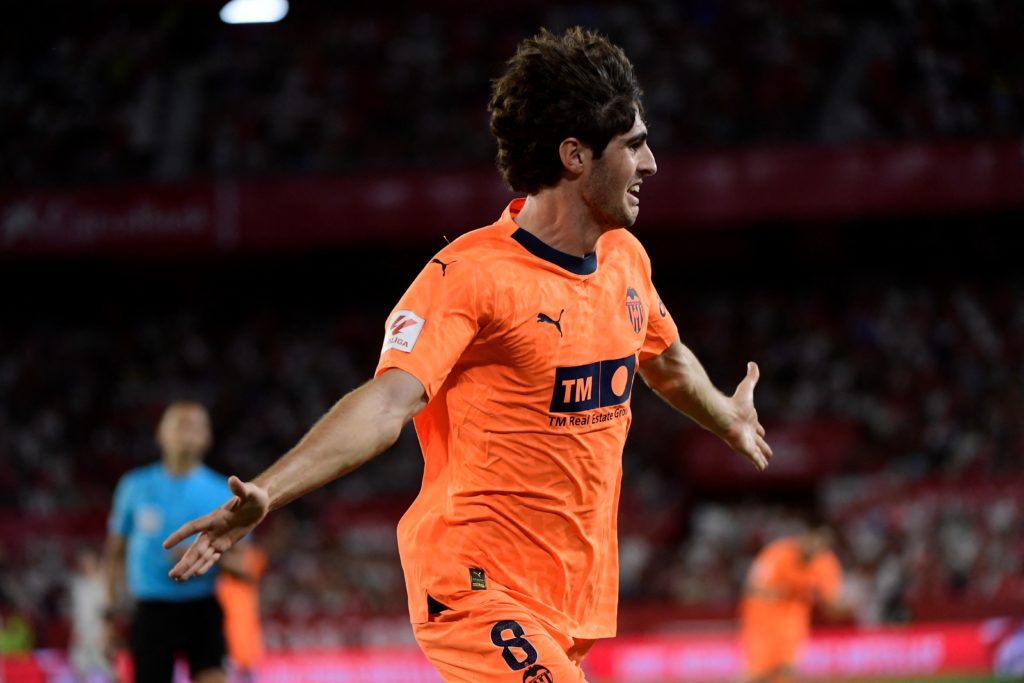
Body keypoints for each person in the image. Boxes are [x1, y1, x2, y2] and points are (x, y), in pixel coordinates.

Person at [164, 27, 773, 683]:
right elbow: (387, 401)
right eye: (634, 145)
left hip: (569, 599)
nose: (652, 164)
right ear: (574, 155)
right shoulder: (468, 276)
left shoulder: (625, 260)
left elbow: (668, 360)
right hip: (474, 588)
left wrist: (728, 417)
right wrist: (269, 491)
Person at [105, 401, 232, 683]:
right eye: (179, 424)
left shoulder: (223, 491)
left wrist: (206, 554)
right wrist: (109, 616)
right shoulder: (134, 486)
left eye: (195, 424)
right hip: (152, 610)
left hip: (202, 607)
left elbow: (245, 565)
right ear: (160, 434)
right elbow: (114, 554)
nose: (187, 430)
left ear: (208, 437)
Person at [738, 518, 849, 683]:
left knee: (786, 670)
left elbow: (831, 605)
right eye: (816, 540)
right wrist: (779, 592)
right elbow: (752, 587)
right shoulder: (778, 553)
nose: (818, 547)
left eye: (824, 544)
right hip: (762, 618)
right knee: (757, 672)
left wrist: (846, 607)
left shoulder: (826, 563)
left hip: (794, 620)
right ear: (805, 537)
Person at [215, 542, 267, 683]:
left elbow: (243, 569)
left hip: (246, 644)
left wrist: (212, 556)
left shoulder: (252, 557)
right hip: (224, 644)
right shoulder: (219, 575)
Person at [69, 548, 114, 682]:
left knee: (107, 668)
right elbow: (77, 612)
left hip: (98, 634)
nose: (87, 565)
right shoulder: (79, 585)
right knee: (79, 666)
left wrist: (106, 635)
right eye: (84, 562)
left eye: (90, 562)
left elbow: (107, 612)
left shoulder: (103, 585)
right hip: (82, 633)